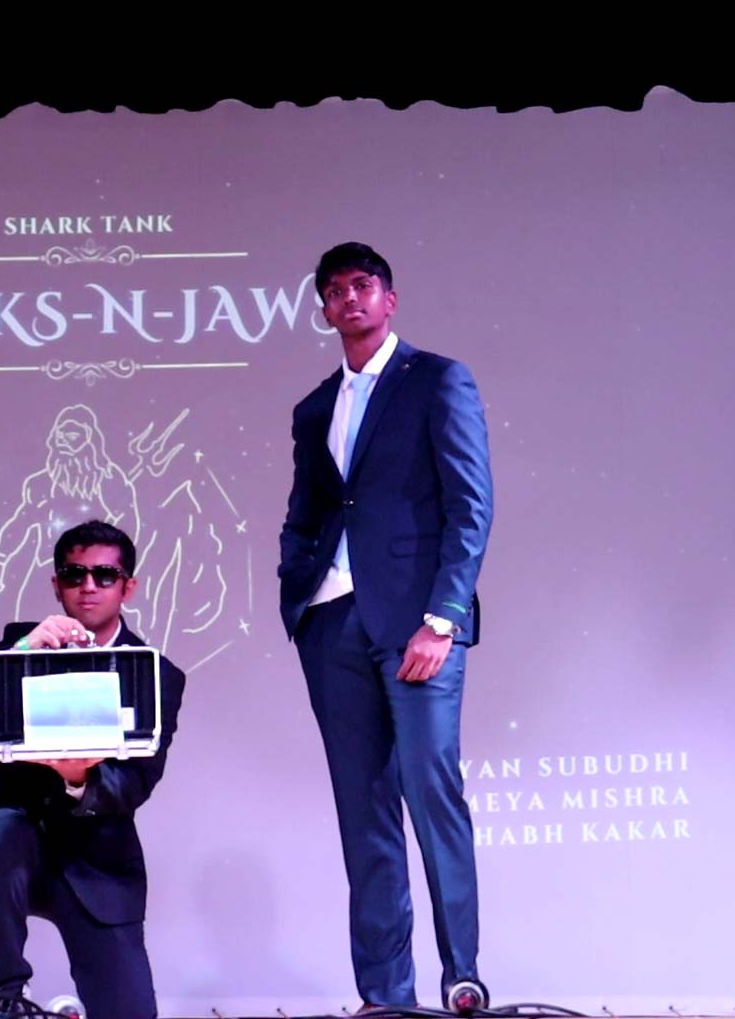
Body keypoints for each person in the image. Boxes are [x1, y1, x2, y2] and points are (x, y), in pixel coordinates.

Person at [277, 241, 494, 1008]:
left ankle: (461, 974)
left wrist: (444, 617)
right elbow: (306, 514)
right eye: (335, 290)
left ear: (389, 299)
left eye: (363, 285)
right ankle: (385, 993)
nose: (350, 298)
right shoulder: (314, 407)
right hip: (332, 625)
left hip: (416, 625)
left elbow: (470, 505)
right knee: (362, 814)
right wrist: (298, 599)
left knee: (433, 796)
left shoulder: (436, 379)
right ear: (323, 309)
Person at [0, 520, 185, 1019]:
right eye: (75, 574)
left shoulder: (154, 673)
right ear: (57, 585)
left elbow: (137, 781)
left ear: (128, 587)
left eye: (104, 575)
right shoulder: (21, 644)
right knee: (2, 827)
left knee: (129, 1013)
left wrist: (78, 778)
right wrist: (22, 651)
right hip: (11, 843)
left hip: (96, 859)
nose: (88, 586)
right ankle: (1, 993)